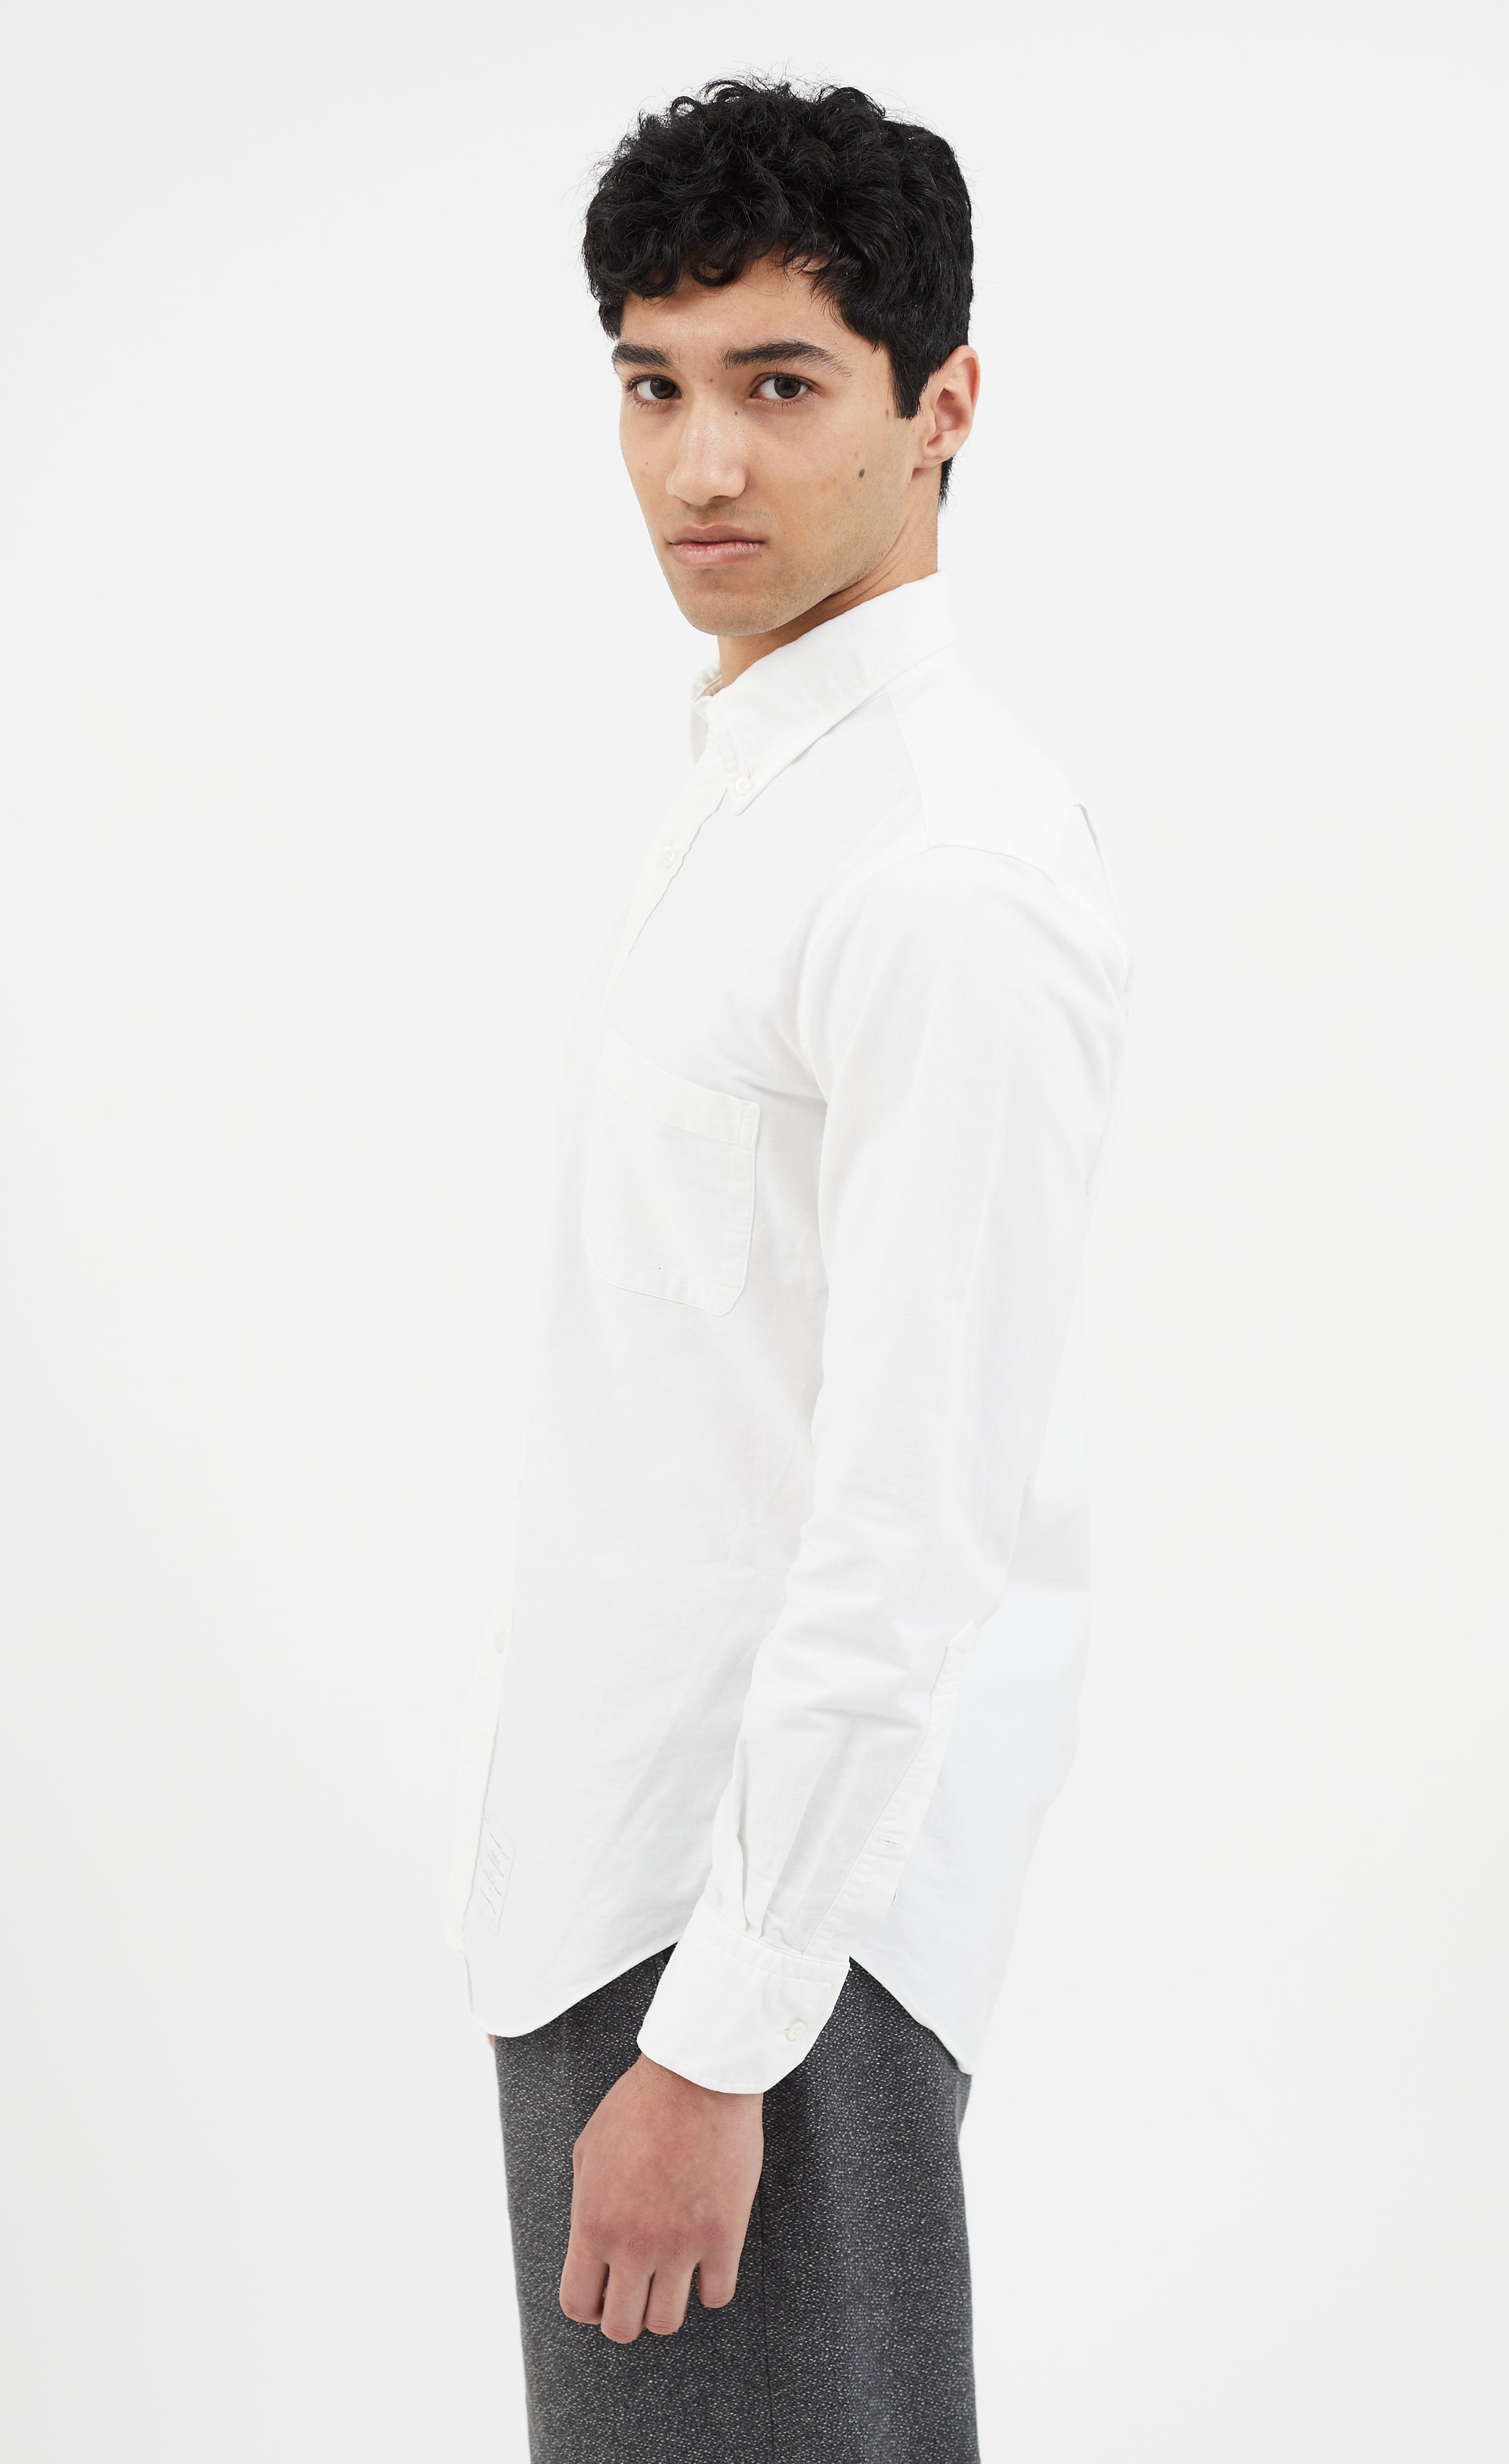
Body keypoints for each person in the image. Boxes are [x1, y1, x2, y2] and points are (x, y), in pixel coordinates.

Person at [445, 75, 1131, 2463]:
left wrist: (721, 2037)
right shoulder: (772, 809)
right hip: (642, 1901)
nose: (700, 463)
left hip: (749, 1947)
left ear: (942, 405)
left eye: (778, 382)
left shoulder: (935, 877)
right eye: (651, 385)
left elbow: (917, 1517)